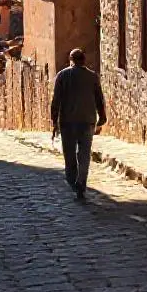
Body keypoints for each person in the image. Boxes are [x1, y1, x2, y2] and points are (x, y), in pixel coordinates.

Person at [50, 48, 106, 201]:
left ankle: (73, 182)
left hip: (67, 122)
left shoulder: (62, 75)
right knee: (84, 154)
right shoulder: (93, 77)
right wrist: (102, 116)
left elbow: (56, 101)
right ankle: (81, 181)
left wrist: (54, 121)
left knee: (69, 155)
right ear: (84, 60)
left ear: (71, 59)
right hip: (87, 120)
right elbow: (99, 99)